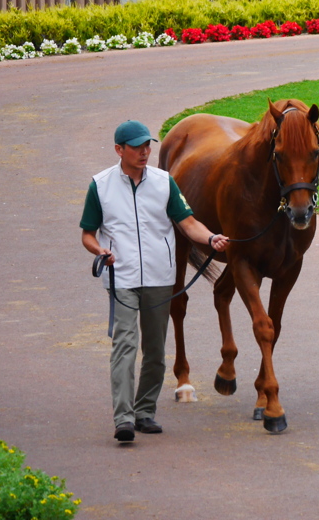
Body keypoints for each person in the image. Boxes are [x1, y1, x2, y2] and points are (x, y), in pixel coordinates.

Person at [81, 119, 230, 442]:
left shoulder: (164, 182)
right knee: (125, 345)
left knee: (155, 351)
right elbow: (87, 234)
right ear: (119, 150)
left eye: (147, 145)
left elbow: (188, 223)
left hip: (160, 278)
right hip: (121, 278)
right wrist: (101, 250)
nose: (145, 152)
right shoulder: (101, 185)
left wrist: (211, 238)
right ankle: (123, 418)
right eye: (137, 147)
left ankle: (144, 411)